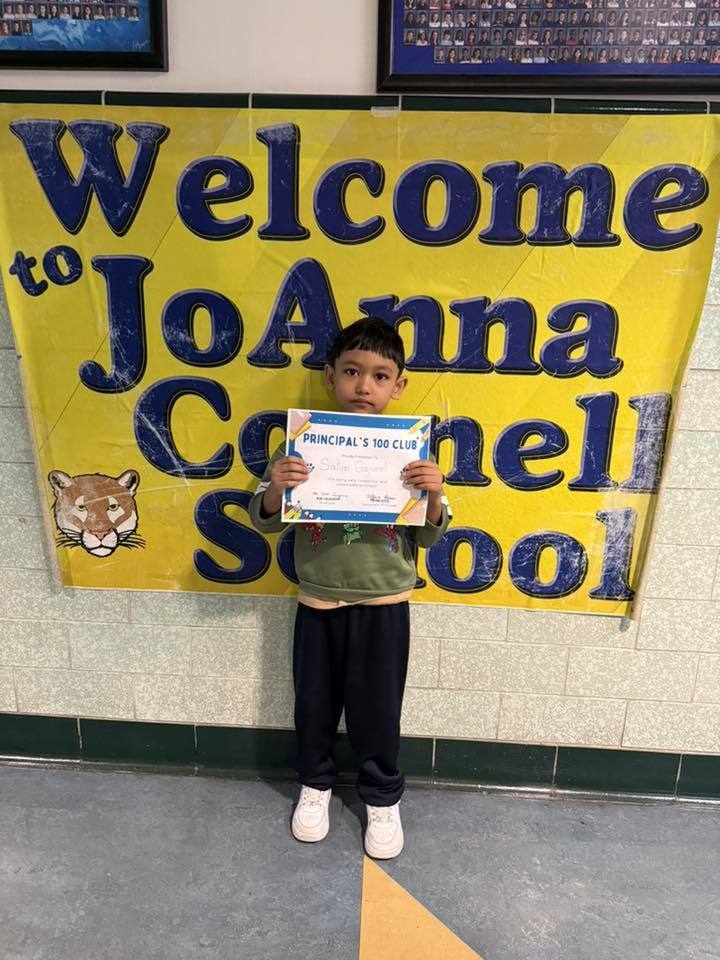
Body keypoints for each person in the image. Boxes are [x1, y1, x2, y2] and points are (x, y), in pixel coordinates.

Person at [249, 319, 451, 860]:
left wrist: (433, 493)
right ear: (330, 376)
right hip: (318, 598)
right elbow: (267, 521)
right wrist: (277, 486)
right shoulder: (304, 445)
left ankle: (382, 796)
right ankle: (315, 785)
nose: (365, 386)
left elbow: (430, 532)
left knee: (378, 707)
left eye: (380, 376)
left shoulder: (410, 454)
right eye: (353, 373)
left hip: (385, 600)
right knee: (313, 703)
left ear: (399, 386)